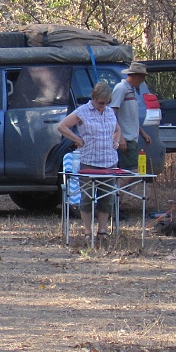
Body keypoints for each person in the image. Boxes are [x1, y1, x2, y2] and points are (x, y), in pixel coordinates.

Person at [56, 82, 122, 238]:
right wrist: (77, 139)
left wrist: (116, 141)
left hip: (109, 161)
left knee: (106, 198)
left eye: (106, 103)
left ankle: (102, 230)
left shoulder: (109, 112)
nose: (103, 105)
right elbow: (62, 126)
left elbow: (117, 130)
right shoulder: (82, 111)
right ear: (94, 97)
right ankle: (87, 231)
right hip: (89, 161)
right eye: (100, 102)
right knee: (87, 198)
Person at [110, 62, 151, 172]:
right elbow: (111, 115)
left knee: (133, 171)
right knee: (134, 171)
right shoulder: (121, 88)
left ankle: (121, 184)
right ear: (135, 76)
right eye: (141, 77)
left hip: (132, 138)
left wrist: (142, 133)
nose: (142, 81)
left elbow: (130, 117)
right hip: (125, 138)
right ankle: (118, 184)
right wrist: (120, 137)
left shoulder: (132, 90)